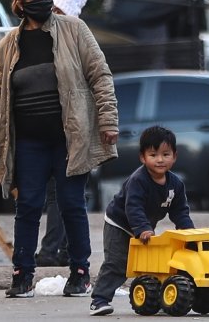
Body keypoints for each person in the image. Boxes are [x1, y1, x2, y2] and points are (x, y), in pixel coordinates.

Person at [0, 0, 118, 299]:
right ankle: (22, 274)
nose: (43, 2)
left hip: (69, 136)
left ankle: (80, 273)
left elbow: (100, 74)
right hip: (28, 141)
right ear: (20, 5)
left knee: (72, 204)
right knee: (28, 205)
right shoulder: (9, 45)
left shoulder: (74, 30)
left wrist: (108, 119)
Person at [88, 125, 193, 316]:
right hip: (119, 224)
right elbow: (133, 207)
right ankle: (100, 299)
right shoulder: (139, 180)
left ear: (174, 156)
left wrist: (188, 232)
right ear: (142, 157)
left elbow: (180, 211)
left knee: (153, 265)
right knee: (117, 262)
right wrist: (142, 228)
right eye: (153, 155)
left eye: (165, 154)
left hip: (144, 228)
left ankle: (155, 299)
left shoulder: (175, 184)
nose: (160, 160)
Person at [36, 0, 91, 268]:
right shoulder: (62, 40)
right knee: (65, 193)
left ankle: (55, 250)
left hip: (70, 131)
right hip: (64, 128)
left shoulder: (73, 42)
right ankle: (66, 250)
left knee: (63, 193)